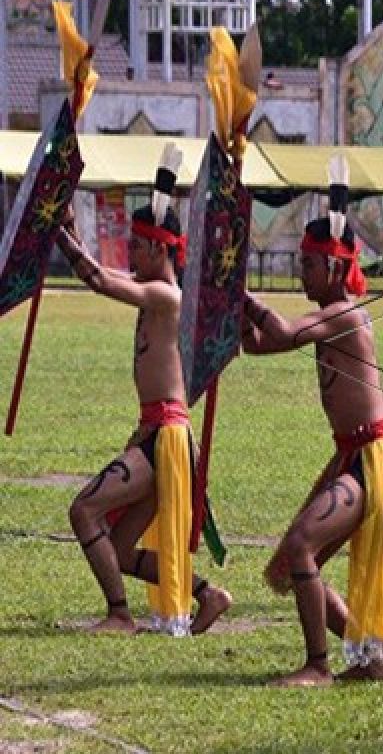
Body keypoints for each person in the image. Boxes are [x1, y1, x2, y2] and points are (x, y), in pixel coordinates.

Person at [241, 188, 383, 687]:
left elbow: (287, 332)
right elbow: (259, 344)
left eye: (308, 265)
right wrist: (221, 318)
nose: (301, 274)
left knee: (301, 546)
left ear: (335, 268)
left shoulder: (345, 314)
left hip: (371, 461)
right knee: (291, 565)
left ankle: (317, 666)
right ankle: (367, 655)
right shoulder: (326, 316)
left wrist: (239, 294)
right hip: (350, 456)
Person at [55, 167, 231, 636]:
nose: (129, 252)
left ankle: (119, 615)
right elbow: (103, 272)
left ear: (158, 248)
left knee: (84, 510)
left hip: (165, 439)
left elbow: (98, 280)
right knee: (122, 544)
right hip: (159, 435)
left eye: (136, 244)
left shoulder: (164, 295)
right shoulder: (153, 293)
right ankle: (206, 593)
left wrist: (54, 230)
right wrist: (69, 230)